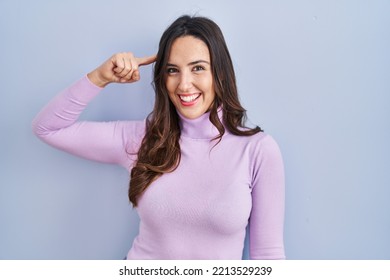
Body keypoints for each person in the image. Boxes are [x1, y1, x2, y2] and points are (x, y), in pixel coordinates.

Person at [32, 15, 285, 260]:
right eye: (173, 70)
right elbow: (48, 128)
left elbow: (268, 256)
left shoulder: (258, 150)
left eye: (198, 68)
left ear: (220, 73)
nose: (184, 85)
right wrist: (100, 77)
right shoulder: (141, 138)